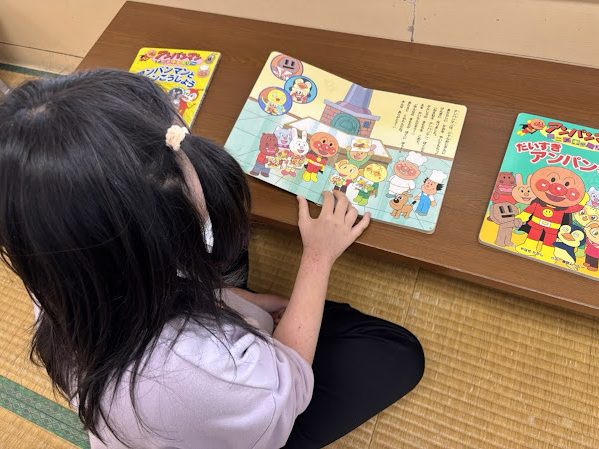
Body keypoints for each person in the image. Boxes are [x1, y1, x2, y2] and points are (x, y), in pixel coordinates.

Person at [0, 70, 424, 449]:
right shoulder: (205, 374)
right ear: (164, 236)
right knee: (397, 352)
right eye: (186, 165)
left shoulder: (59, 264)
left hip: (166, 376)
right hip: (221, 410)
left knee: (244, 262)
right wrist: (317, 257)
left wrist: (246, 302)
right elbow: (290, 382)